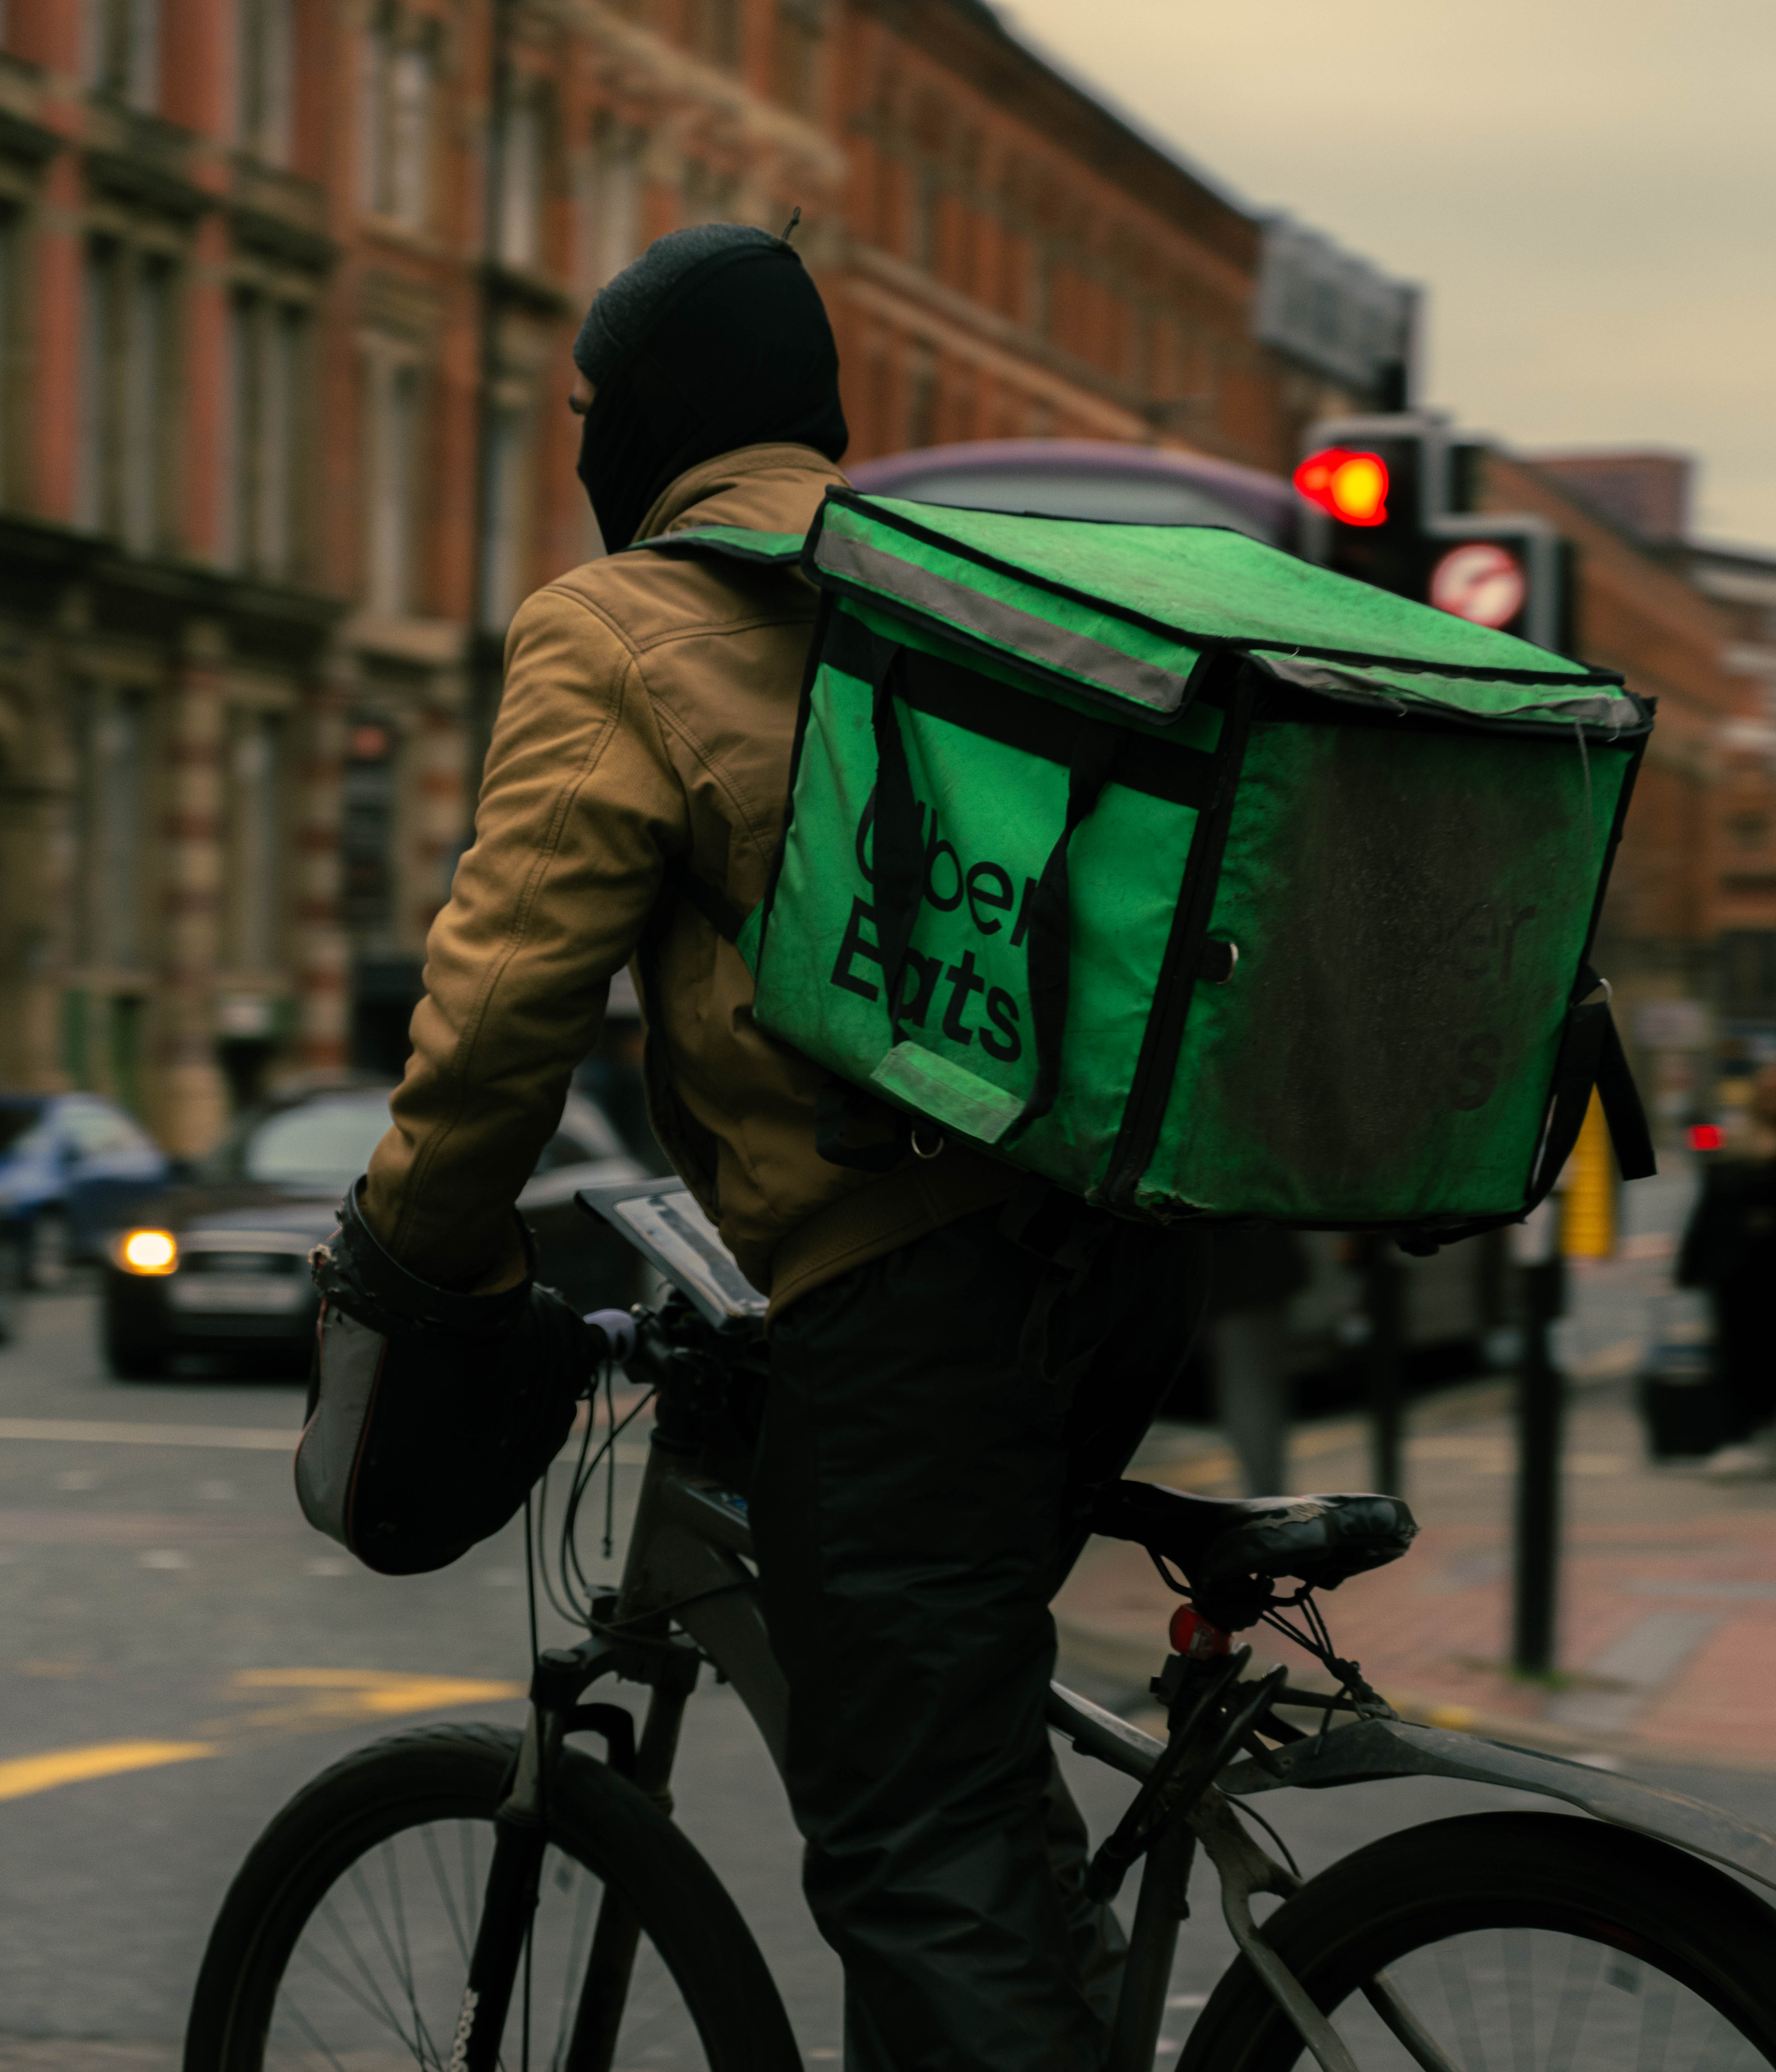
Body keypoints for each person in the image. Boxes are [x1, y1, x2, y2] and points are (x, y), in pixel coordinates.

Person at [351, 222, 1207, 2072]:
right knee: (956, 1760)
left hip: (906, 1295)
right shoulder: (941, 601)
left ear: (642, 421)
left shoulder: (623, 623)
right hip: (1116, 1268)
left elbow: (508, 1006)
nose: (581, 446)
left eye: (591, 411)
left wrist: (410, 1238)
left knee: (910, 1842)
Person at [1673, 1060, 1776, 1479]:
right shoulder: (1736, 1140)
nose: (1774, 1099)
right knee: (1730, 1353)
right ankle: (1732, 1438)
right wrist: (1692, 1263)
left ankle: (1771, 1428)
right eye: (1768, 1091)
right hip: (1733, 1270)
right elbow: (1709, 1204)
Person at [1205, 1228, 1312, 1497]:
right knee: (1254, 1388)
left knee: (1251, 1386)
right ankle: (1266, 1500)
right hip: (1244, 1262)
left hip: (1234, 1263)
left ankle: (1266, 1500)